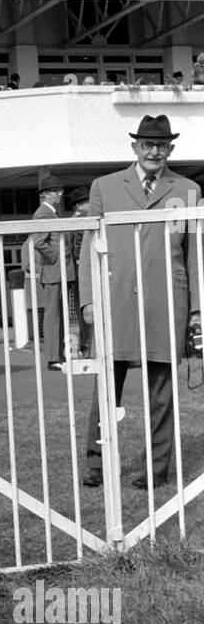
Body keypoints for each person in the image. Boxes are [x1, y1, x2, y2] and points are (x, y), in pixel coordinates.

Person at [79, 115, 202, 489]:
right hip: (115, 298)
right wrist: (88, 298)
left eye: (161, 145)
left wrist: (196, 307)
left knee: (161, 390)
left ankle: (156, 468)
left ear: (171, 149)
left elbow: (194, 253)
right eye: (147, 145)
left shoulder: (187, 190)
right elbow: (88, 247)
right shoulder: (104, 186)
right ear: (135, 147)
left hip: (166, 301)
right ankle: (98, 464)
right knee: (107, 388)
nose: (154, 151)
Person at [24, 176, 72, 370]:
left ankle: (58, 356)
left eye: (60, 190)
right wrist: (57, 258)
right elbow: (39, 242)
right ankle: (53, 358)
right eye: (55, 191)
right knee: (53, 316)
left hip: (57, 271)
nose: (59, 194)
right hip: (54, 272)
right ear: (45, 194)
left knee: (58, 315)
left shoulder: (51, 213)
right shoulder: (44, 213)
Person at [68, 186, 93, 358]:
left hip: (76, 271)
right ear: (81, 205)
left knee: (81, 308)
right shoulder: (84, 219)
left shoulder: (71, 220)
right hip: (85, 270)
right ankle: (89, 346)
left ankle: (86, 346)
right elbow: (79, 248)